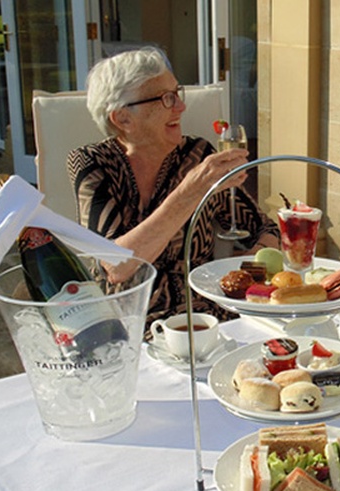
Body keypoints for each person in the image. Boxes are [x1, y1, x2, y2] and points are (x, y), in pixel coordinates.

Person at [68, 47, 279, 325]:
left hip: (204, 317)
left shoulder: (198, 156)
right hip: (129, 323)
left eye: (177, 94)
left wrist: (250, 269)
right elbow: (117, 266)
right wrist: (189, 193)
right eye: (166, 99)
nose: (180, 106)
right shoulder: (93, 163)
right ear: (122, 118)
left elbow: (266, 229)